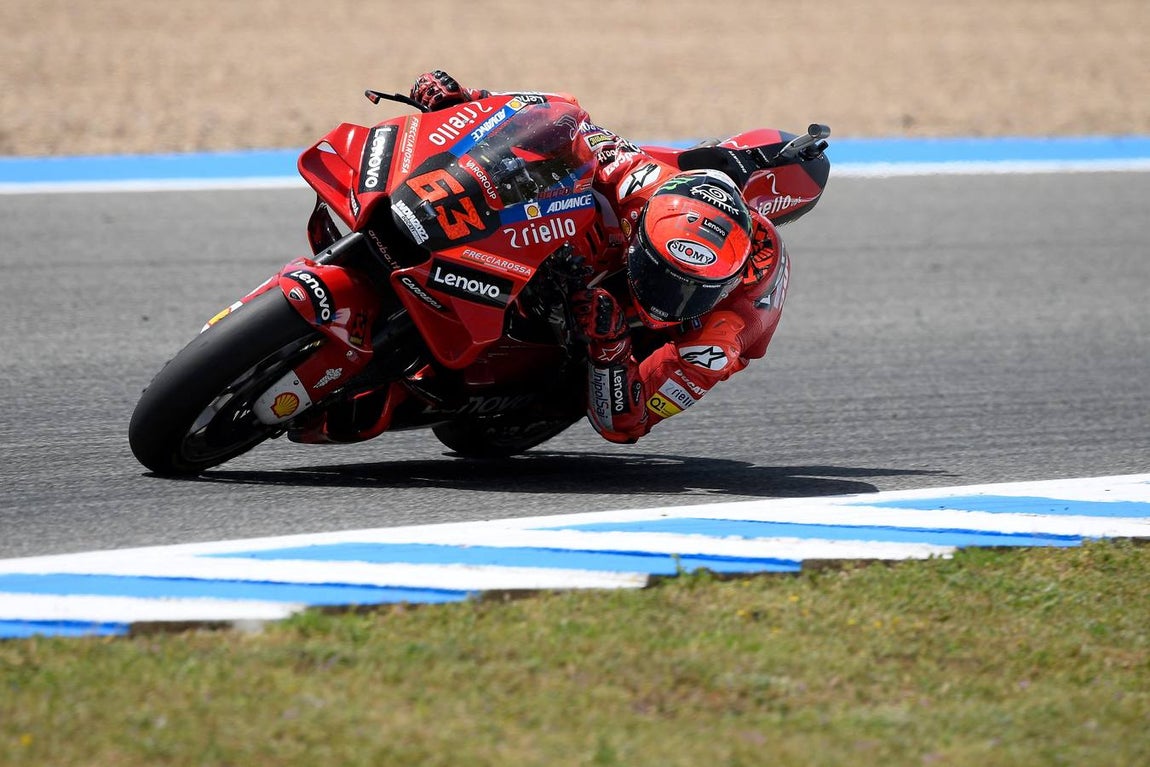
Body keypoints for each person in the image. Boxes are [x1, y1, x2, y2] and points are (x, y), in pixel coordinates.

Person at [409, 71, 790, 444]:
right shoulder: (632, 177)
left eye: (691, 293)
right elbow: (556, 118)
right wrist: (465, 101)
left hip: (644, 337)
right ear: (639, 229)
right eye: (660, 278)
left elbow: (625, 424)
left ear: (725, 286)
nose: (665, 301)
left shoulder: (720, 340)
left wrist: (612, 347)